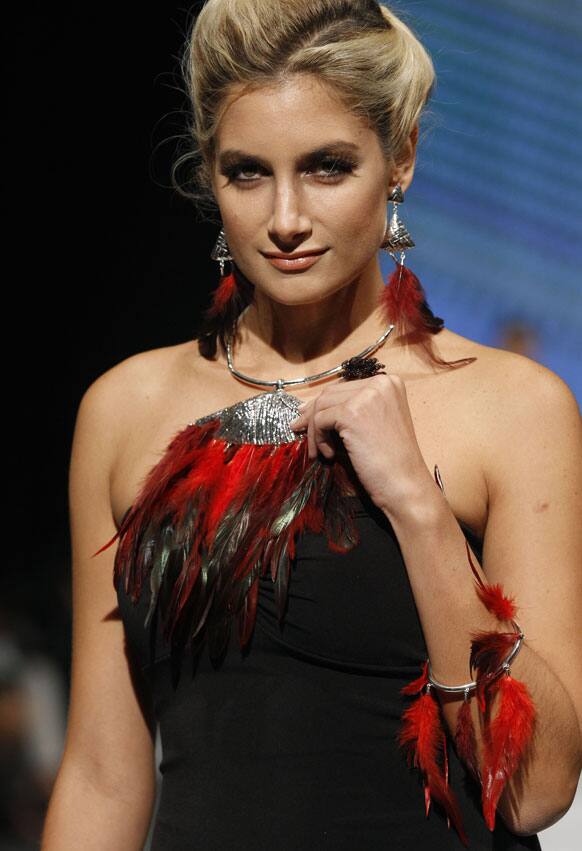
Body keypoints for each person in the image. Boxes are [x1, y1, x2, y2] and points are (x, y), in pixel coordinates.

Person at [42, 1, 582, 849]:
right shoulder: (126, 408)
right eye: (247, 172)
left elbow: (538, 789)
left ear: (399, 157)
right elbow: (104, 775)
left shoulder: (513, 406)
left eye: (328, 167)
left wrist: (414, 501)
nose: (285, 217)